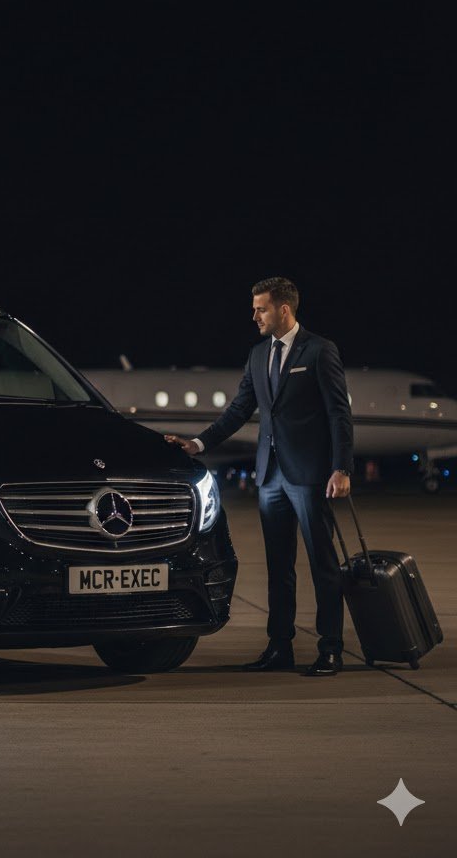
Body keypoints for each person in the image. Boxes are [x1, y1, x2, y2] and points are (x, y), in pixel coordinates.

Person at [166, 277, 353, 676]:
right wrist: (198, 444)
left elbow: (339, 413)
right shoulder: (257, 355)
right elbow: (238, 410)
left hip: (309, 475)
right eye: (254, 309)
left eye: (261, 309)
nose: (254, 316)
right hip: (270, 477)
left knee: (323, 564)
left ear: (284, 309)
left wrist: (341, 468)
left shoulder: (319, 350)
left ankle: (331, 648)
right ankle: (279, 647)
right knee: (278, 567)